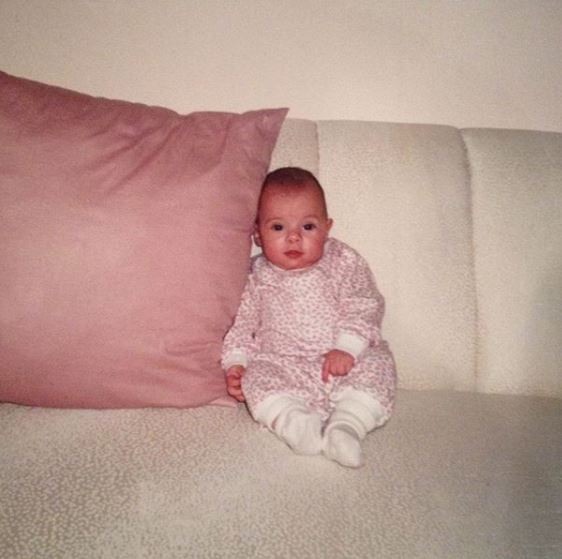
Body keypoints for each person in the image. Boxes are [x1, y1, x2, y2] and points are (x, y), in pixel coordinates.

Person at [222, 167, 396, 468]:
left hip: (341, 359)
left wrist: (348, 347)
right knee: (258, 379)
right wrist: (236, 363)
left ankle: (347, 427)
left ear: (327, 228)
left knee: (378, 363)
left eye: (308, 227)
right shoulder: (254, 276)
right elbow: (242, 323)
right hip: (282, 362)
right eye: (278, 228)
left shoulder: (342, 261)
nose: (293, 238)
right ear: (257, 235)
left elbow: (364, 301)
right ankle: (296, 424)